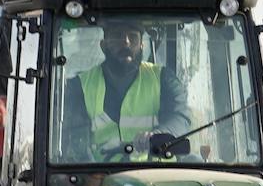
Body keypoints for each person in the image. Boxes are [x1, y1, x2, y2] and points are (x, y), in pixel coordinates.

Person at [64, 21, 189, 160]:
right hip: (102, 177)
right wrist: (90, 175)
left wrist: (158, 134)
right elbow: (75, 141)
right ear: (103, 45)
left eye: (133, 37)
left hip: (158, 175)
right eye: (117, 36)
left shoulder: (163, 79)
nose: (126, 42)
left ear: (142, 45)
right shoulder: (79, 86)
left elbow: (180, 119)